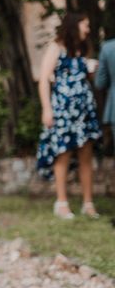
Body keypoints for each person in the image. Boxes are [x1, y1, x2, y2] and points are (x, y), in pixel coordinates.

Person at [36, 11, 101, 219]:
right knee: (62, 155)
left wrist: (92, 69)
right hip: (63, 111)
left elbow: (85, 78)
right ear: (75, 25)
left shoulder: (81, 50)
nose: (88, 29)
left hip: (84, 111)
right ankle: (61, 203)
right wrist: (47, 109)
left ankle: (88, 203)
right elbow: (44, 79)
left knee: (85, 156)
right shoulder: (56, 47)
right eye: (85, 24)